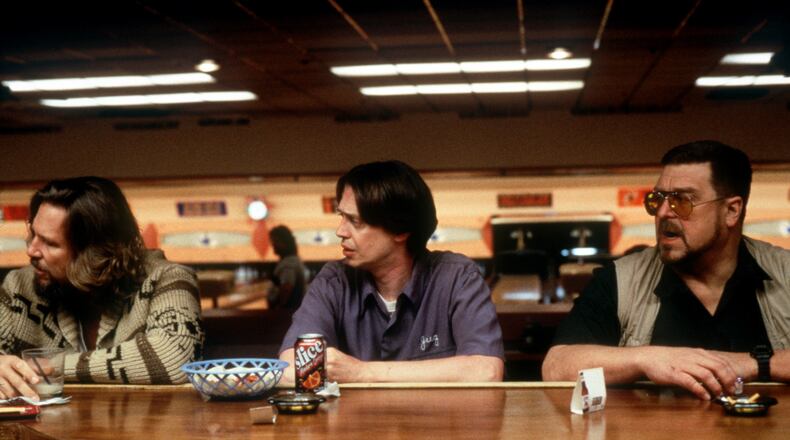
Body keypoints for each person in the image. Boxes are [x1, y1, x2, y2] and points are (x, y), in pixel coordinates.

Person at [543, 140, 789, 400]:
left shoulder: (784, 272)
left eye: (682, 201)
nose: (662, 213)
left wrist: (755, 364)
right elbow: (556, 367)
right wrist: (646, 358)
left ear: (731, 211)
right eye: (657, 200)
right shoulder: (620, 279)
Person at [279, 160, 504, 383]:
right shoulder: (333, 282)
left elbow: (486, 371)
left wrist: (362, 372)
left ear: (400, 230)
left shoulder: (457, 277)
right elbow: (290, 367)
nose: (340, 231)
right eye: (342, 217)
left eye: (355, 221)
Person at [0, 177, 204, 400]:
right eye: (33, 234)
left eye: (50, 243)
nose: (32, 250)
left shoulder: (168, 279)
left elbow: (174, 360)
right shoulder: (18, 286)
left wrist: (51, 366)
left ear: (94, 254)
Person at [268, 225, 308, 310]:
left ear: (285, 242)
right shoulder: (293, 260)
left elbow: (286, 287)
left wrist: (278, 310)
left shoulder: (289, 263)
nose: (273, 245)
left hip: (286, 315)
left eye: (275, 241)